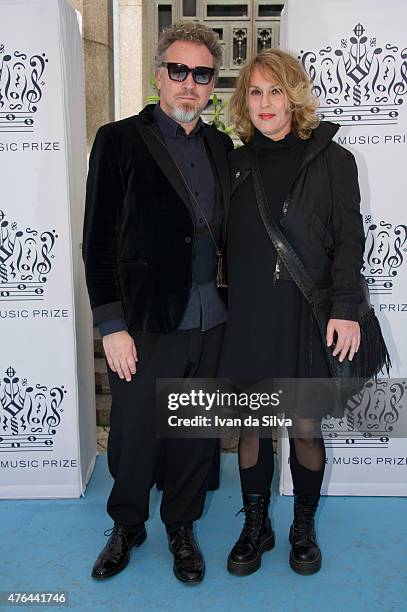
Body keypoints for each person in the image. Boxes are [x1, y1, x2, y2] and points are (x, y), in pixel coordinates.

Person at [83, 21, 233, 584]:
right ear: (158, 75)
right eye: (178, 71)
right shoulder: (118, 140)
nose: (188, 84)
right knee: (135, 431)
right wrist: (110, 324)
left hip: (211, 318)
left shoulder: (222, 146)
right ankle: (127, 525)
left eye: (201, 74)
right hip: (144, 321)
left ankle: (182, 526)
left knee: (194, 432)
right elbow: (97, 240)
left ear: (211, 82)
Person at [219, 49, 365, 576]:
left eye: (275, 91)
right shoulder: (232, 163)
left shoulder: (332, 160)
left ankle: (303, 525)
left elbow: (350, 241)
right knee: (253, 426)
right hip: (250, 315)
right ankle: (255, 525)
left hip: (306, 313)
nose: (264, 103)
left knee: (304, 424)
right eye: (254, 92)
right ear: (244, 100)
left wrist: (346, 307)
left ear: (294, 96)